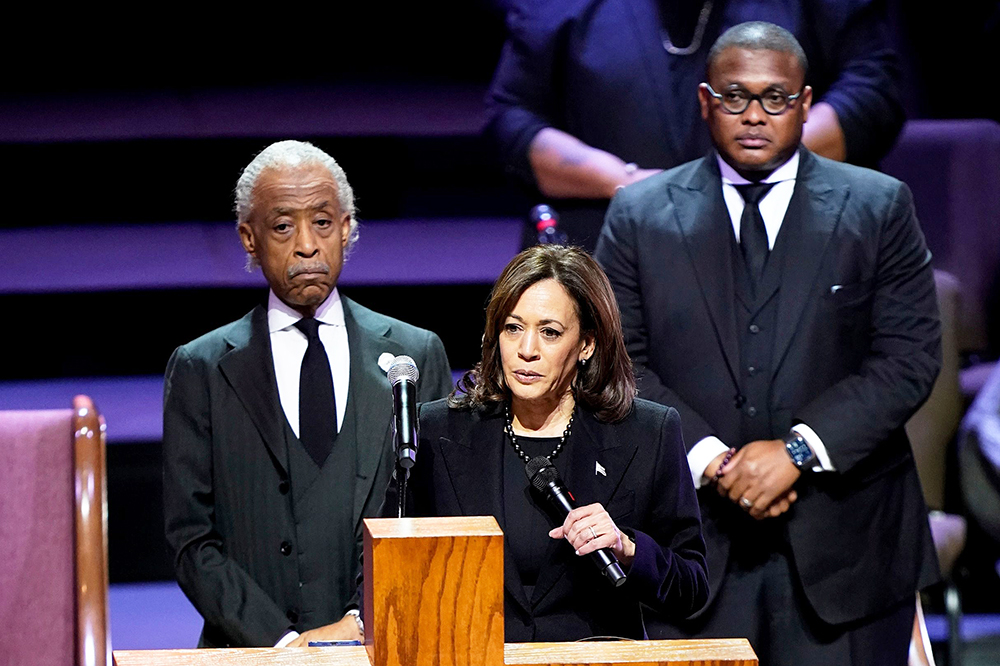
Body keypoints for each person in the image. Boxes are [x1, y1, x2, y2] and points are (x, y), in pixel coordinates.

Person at [594, 22, 939, 665]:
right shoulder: (638, 216)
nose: (755, 115)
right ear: (705, 101)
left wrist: (798, 452)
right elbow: (619, 363)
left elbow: (909, 357)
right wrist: (712, 461)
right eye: (735, 97)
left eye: (775, 98)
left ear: (805, 104)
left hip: (851, 552)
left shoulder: (878, 205)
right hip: (694, 551)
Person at [162, 140, 453, 648]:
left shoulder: (413, 356)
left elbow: (436, 519)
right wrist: (283, 644)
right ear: (249, 238)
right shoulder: (201, 369)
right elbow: (191, 540)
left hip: (384, 646)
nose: (306, 245)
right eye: (282, 226)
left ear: (346, 228)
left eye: (322, 223)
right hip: (250, 654)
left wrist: (359, 624)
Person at [379, 244, 708, 641]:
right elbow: (387, 563)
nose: (527, 350)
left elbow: (692, 588)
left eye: (549, 332)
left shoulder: (647, 432)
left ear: (586, 344)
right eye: (512, 328)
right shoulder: (437, 430)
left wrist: (628, 547)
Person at [486, 0, 905, 250]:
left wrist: (754, 165)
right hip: (610, 240)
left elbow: (873, 90)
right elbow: (512, 116)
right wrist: (625, 184)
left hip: (789, 240)